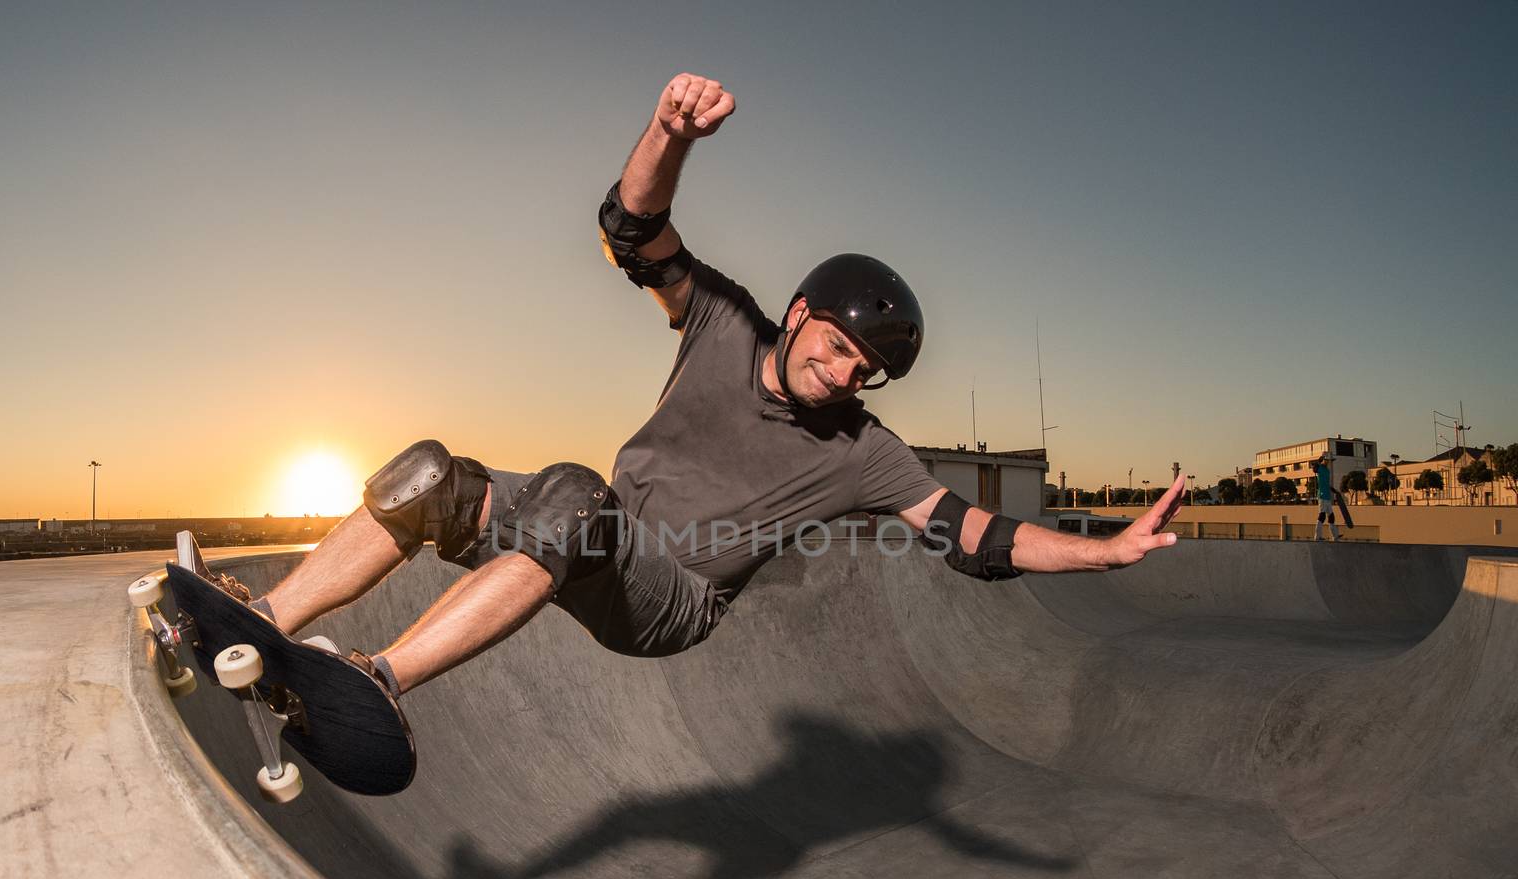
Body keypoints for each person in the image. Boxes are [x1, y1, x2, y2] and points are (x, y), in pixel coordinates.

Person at [240, 73, 1187, 701]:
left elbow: (973, 538)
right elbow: (633, 227)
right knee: (431, 476)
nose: (846, 373)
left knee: (575, 494)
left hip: (672, 596)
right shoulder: (724, 319)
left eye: (869, 370)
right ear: (804, 309)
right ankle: (261, 621)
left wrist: (1101, 552)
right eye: (841, 346)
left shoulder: (866, 452)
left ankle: (374, 682)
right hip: (596, 535)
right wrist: (667, 133)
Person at [1312, 455, 1341, 541]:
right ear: (1323, 460)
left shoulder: (1327, 470)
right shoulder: (1319, 468)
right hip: (1322, 495)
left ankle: (1335, 536)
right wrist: (1319, 462)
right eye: (1327, 460)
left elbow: (1326, 483)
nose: (1328, 462)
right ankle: (1317, 537)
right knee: (1322, 515)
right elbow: (1314, 469)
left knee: (1331, 516)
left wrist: (1334, 490)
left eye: (1329, 461)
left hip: (1328, 496)